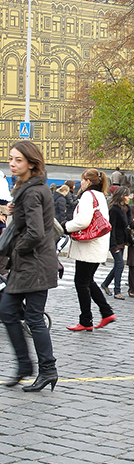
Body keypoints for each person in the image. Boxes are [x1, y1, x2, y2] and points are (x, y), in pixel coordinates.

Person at [0, 141, 58, 391]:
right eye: (11, 159)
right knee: (9, 311)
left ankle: (46, 369)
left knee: (32, 317)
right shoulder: (29, 187)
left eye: (18, 160)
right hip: (31, 264)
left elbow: (35, 233)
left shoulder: (33, 191)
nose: (12, 164)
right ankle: (27, 365)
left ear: (31, 163)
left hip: (34, 264)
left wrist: (16, 249)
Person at [63, 168, 115, 331]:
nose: (81, 183)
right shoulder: (100, 196)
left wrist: (66, 227)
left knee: (81, 282)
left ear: (88, 181)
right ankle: (106, 312)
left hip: (88, 246)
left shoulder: (87, 195)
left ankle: (86, 320)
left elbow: (83, 221)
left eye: (83, 180)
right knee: (87, 280)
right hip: (97, 245)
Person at [101, 187, 132, 300]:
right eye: (127, 196)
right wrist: (113, 245)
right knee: (120, 264)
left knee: (118, 265)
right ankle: (117, 291)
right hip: (115, 241)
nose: (129, 198)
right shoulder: (114, 209)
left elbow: (127, 224)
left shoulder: (126, 209)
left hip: (122, 240)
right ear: (122, 196)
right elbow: (111, 228)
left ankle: (105, 284)